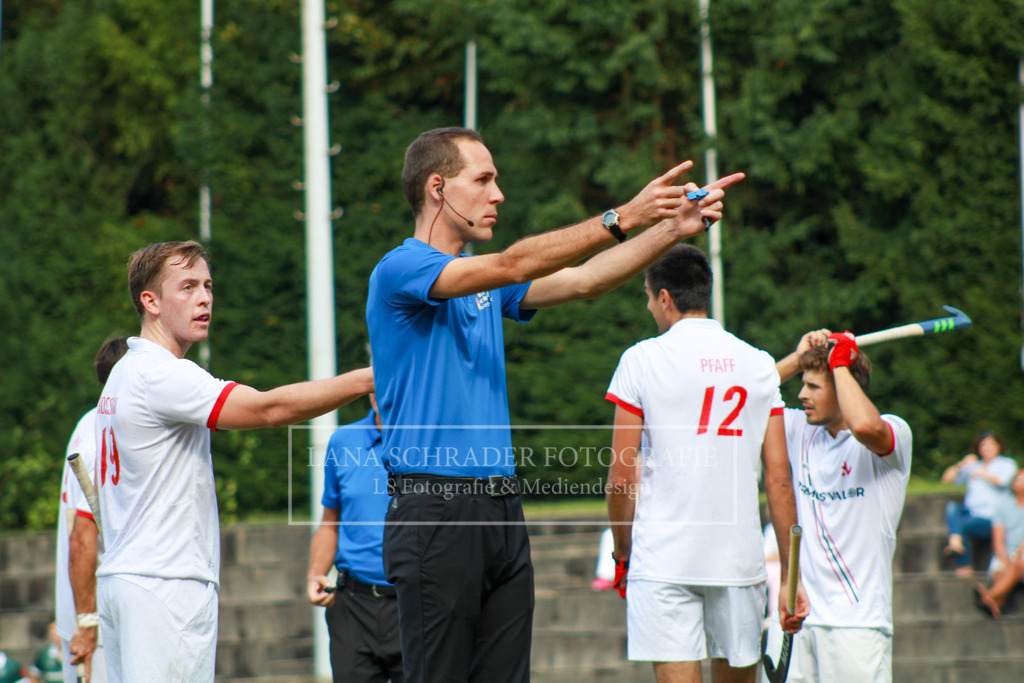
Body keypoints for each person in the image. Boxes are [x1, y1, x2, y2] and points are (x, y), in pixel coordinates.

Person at [367, 126, 744, 683]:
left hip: (499, 508)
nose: (498, 194)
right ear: (437, 187)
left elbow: (585, 281)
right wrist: (619, 217)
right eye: (484, 180)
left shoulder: (482, 284)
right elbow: (511, 266)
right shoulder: (400, 269)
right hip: (434, 511)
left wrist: (672, 229)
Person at [91, 241, 374, 683]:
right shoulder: (162, 372)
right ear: (150, 301)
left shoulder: (125, 372)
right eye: (187, 287)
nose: (204, 297)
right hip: (165, 583)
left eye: (207, 285)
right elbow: (269, 410)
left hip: (128, 580)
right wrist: (370, 378)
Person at [604, 244, 807, 682]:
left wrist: (623, 553)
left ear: (664, 297)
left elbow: (622, 476)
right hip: (738, 561)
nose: (648, 305)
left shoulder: (640, 360)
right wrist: (790, 577)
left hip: (663, 562)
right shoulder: (758, 364)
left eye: (647, 295)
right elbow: (779, 479)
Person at [765, 329, 913, 683]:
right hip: (795, 619)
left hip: (857, 625)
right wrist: (798, 357)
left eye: (814, 387)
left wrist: (840, 364)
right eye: (803, 383)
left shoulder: (894, 432)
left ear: (844, 386)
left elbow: (863, 425)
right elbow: (743, 395)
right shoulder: (797, 429)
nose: (801, 395)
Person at [307, 392, 403, 682]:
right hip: (352, 608)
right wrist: (315, 573)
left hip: (417, 606)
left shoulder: (434, 441)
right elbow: (330, 522)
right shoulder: (343, 441)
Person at [58, 336, 127, 683]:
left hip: (97, 609)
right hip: (101, 617)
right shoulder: (104, 431)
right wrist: (86, 621)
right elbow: (83, 536)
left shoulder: (87, 424)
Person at [941, 430, 1017, 577]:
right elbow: (947, 480)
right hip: (973, 513)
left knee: (960, 526)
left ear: (999, 446)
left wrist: (982, 473)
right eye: (984, 445)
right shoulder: (973, 466)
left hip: (993, 519)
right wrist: (962, 464)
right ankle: (955, 541)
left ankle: (962, 564)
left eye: (991, 444)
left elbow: (1002, 481)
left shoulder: (1006, 464)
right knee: (952, 507)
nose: (987, 448)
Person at [973, 469, 1024, 618]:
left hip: (1021, 553)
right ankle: (995, 605)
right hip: (1007, 552)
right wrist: (1005, 559)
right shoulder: (1003, 506)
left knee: (1018, 564)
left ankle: (988, 597)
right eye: (1019, 478)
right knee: (1000, 571)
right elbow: (998, 540)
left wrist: (1016, 556)